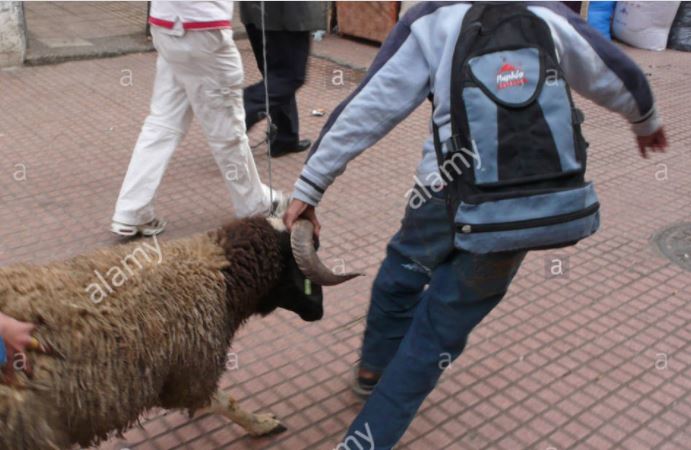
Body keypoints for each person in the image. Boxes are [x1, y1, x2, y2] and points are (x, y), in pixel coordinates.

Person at [283, 2, 668, 448]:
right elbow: (616, 72)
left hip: (440, 193)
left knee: (402, 271)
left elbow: (370, 105)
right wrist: (646, 121)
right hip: (518, 209)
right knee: (436, 334)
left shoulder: (431, 18)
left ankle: (373, 369)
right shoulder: (546, 13)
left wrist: (311, 185)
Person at [111, 0, 285, 237]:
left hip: (165, 25)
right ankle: (254, 205)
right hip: (204, 29)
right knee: (226, 131)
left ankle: (131, 210)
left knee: (163, 123)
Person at [240, 1, 325, 157]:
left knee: (275, 78)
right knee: (288, 76)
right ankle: (240, 108)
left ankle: (285, 138)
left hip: (255, 9)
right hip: (284, 13)